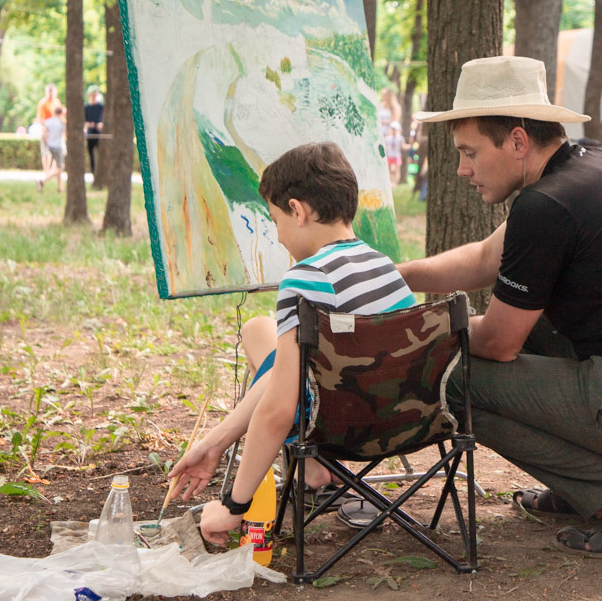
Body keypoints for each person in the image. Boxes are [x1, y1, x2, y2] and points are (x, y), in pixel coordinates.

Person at [399, 56, 602, 558]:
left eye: (469, 152)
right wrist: (394, 274)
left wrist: (408, 333)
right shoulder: (588, 165)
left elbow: (499, 343)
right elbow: (485, 259)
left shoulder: (547, 205)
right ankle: (587, 489)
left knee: (453, 378)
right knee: (509, 331)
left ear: (517, 141)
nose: (462, 169)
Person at [167, 142, 416, 545]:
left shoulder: (305, 278)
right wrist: (217, 442)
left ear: (297, 211)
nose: (279, 236)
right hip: (402, 419)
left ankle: (310, 467)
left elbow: (278, 410)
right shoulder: (382, 264)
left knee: (278, 370)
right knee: (259, 330)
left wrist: (234, 505)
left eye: (275, 220)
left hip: (338, 428)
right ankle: (273, 460)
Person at [38, 105, 65, 192]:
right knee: (60, 167)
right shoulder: (62, 123)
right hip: (58, 146)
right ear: (61, 113)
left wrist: (48, 141)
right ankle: (42, 181)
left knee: (56, 165)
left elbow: (44, 133)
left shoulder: (48, 121)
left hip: (50, 145)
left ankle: (60, 187)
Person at [35, 84, 62, 173]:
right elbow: (40, 118)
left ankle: (52, 171)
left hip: (55, 132)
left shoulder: (57, 102)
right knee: (45, 152)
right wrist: (45, 131)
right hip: (46, 130)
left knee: (54, 153)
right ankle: (46, 170)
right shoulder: (43, 103)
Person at [84, 85, 104, 176]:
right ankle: (93, 173)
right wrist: (88, 124)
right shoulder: (86, 107)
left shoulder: (101, 107)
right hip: (90, 134)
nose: (94, 97)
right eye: (92, 95)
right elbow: (84, 121)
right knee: (91, 154)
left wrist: (101, 124)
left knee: (101, 154)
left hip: (100, 134)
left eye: (95, 95)